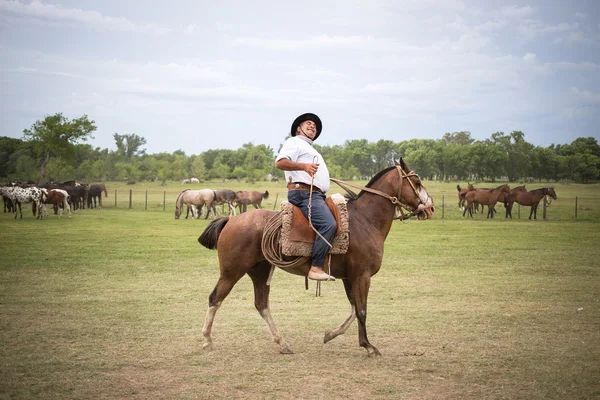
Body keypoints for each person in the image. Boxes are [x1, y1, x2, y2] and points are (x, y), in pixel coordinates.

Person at [275, 113, 337, 281]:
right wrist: (304, 167)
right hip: (304, 194)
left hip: (315, 194)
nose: (313, 126)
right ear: (298, 128)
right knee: (328, 224)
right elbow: (280, 162)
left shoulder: (309, 148)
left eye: (315, 126)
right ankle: (316, 268)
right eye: (308, 123)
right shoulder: (294, 142)